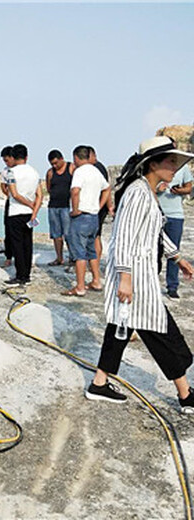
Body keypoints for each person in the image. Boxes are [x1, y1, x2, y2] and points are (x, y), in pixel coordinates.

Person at [86, 136, 194, 412]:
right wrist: (124, 277)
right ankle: (186, 395)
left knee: (120, 329)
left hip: (139, 275)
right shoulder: (137, 192)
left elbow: (154, 231)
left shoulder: (147, 191)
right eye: (170, 161)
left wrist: (177, 258)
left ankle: (99, 384)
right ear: (153, 164)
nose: (174, 167)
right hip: (135, 278)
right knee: (163, 333)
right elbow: (123, 237)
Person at [63, 145, 110, 296]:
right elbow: (107, 189)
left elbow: (75, 191)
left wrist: (75, 209)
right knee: (92, 251)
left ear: (76, 157)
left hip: (81, 216)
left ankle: (80, 287)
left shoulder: (79, 172)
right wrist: (100, 205)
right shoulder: (96, 171)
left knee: (79, 253)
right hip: (94, 216)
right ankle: (96, 280)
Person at [5, 144, 43, 286]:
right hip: (29, 214)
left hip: (16, 212)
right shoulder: (34, 172)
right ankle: (26, 274)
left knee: (17, 245)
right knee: (28, 244)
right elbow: (40, 195)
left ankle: (20, 275)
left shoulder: (11, 172)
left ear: (13, 157)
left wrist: (29, 204)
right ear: (26, 157)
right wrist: (34, 210)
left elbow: (14, 194)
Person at [157, 163, 193, 299]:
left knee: (174, 251)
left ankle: (172, 286)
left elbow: (189, 188)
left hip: (176, 215)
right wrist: (158, 189)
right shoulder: (157, 165)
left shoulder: (183, 167)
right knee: (154, 250)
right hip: (158, 213)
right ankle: (151, 282)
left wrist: (179, 191)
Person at [45, 149, 75, 266]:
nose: (54, 166)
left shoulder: (71, 168)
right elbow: (48, 188)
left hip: (67, 206)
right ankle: (59, 258)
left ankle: (73, 257)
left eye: (56, 163)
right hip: (53, 206)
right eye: (52, 164)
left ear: (62, 159)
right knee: (56, 235)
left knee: (68, 234)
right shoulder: (50, 173)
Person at [88, 146, 114, 275]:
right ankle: (93, 263)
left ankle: (95, 264)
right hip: (98, 206)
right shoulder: (98, 167)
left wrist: (105, 206)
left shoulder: (97, 168)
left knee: (95, 237)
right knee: (94, 236)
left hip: (97, 207)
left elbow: (106, 189)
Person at [0, 146, 15, 267]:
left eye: (7, 160)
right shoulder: (5, 171)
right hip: (10, 202)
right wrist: (10, 196)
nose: (6, 162)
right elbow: (3, 186)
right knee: (8, 229)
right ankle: (9, 256)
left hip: (23, 203)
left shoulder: (21, 170)